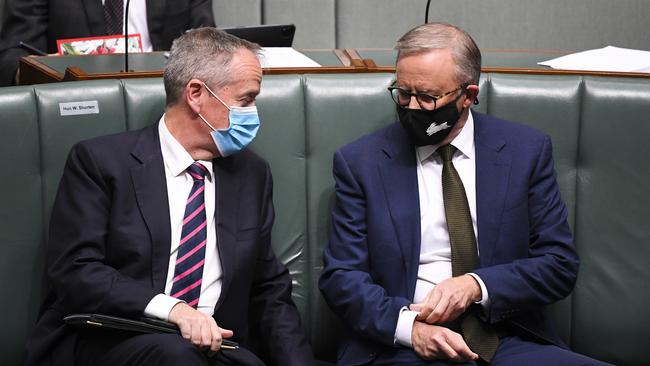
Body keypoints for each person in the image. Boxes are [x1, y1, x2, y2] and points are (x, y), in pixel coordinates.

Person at [319, 23, 611, 366]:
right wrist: (409, 328)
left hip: (506, 339)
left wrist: (476, 285)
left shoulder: (525, 151)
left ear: (468, 95)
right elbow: (343, 277)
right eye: (402, 93)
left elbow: (558, 264)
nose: (411, 107)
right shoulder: (361, 162)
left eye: (427, 97)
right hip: (402, 345)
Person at [24, 27, 314, 366]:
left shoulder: (251, 174)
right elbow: (75, 270)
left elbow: (268, 289)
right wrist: (174, 309)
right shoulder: (101, 163)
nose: (253, 113)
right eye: (246, 99)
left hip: (215, 347)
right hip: (112, 338)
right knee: (176, 355)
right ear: (195, 94)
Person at [0, 0, 215, 86]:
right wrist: (40, 70)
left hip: (164, 97)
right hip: (77, 100)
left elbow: (209, 48)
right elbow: (10, 58)